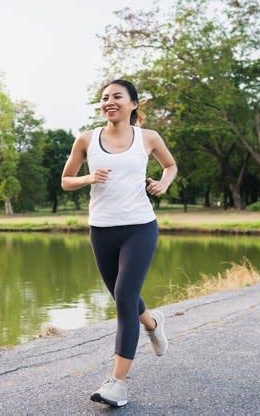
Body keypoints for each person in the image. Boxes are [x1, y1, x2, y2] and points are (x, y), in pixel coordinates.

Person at [61, 78, 178, 407]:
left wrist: (163, 184)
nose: (109, 102)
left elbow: (170, 166)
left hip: (140, 227)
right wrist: (87, 177)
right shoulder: (86, 139)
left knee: (125, 299)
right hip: (102, 230)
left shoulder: (149, 137)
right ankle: (153, 325)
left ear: (133, 104)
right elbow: (66, 180)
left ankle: (118, 384)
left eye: (116, 97)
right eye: (104, 98)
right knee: (121, 295)